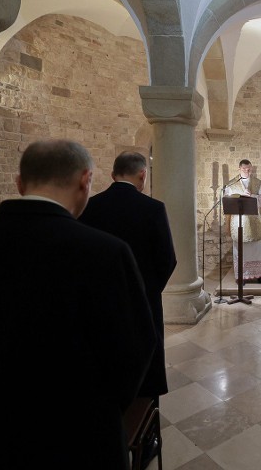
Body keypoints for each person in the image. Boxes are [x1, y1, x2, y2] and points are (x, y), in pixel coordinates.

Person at [0, 140, 156, 470]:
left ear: (19, 183)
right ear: (86, 180)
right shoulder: (105, 254)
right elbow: (133, 351)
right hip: (76, 443)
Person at [79, 151, 177, 406]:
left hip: (101, 300)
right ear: (143, 174)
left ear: (113, 175)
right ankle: (145, 415)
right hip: (143, 297)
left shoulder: (90, 206)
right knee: (146, 354)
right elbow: (167, 258)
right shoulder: (153, 208)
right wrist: (151, 288)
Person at [224, 159, 261, 285]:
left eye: (249, 169)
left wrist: (253, 196)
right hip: (238, 223)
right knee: (240, 250)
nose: (247, 171)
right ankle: (241, 276)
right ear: (239, 169)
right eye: (244, 169)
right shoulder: (231, 184)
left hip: (255, 222)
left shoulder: (257, 183)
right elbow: (227, 201)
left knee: (257, 249)